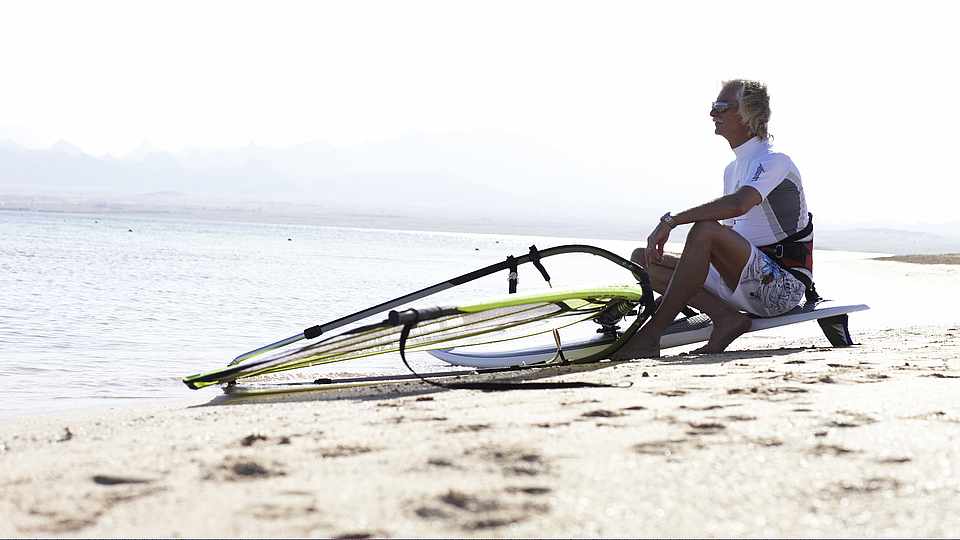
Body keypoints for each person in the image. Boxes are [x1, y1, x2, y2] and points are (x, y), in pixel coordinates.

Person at [613, 79, 811, 359]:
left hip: (781, 289)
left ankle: (651, 335)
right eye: (713, 107)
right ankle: (726, 318)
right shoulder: (733, 169)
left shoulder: (775, 160)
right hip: (744, 282)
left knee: (705, 230)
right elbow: (728, 239)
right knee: (644, 259)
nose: (712, 114)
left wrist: (672, 220)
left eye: (721, 107)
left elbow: (739, 205)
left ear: (749, 114)